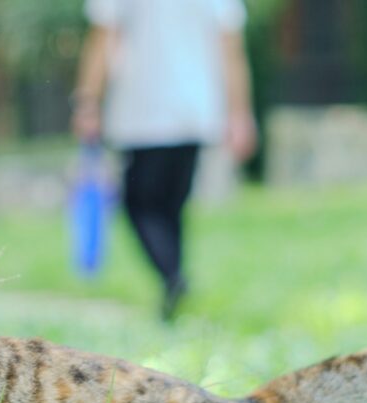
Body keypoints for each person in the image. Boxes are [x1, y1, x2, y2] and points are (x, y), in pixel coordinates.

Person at [72, 0, 257, 321]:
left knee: (139, 203)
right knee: (171, 207)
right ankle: (174, 282)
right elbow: (232, 48)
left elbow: (102, 37)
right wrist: (240, 113)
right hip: (196, 109)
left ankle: (172, 277)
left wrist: (88, 101)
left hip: (142, 110)